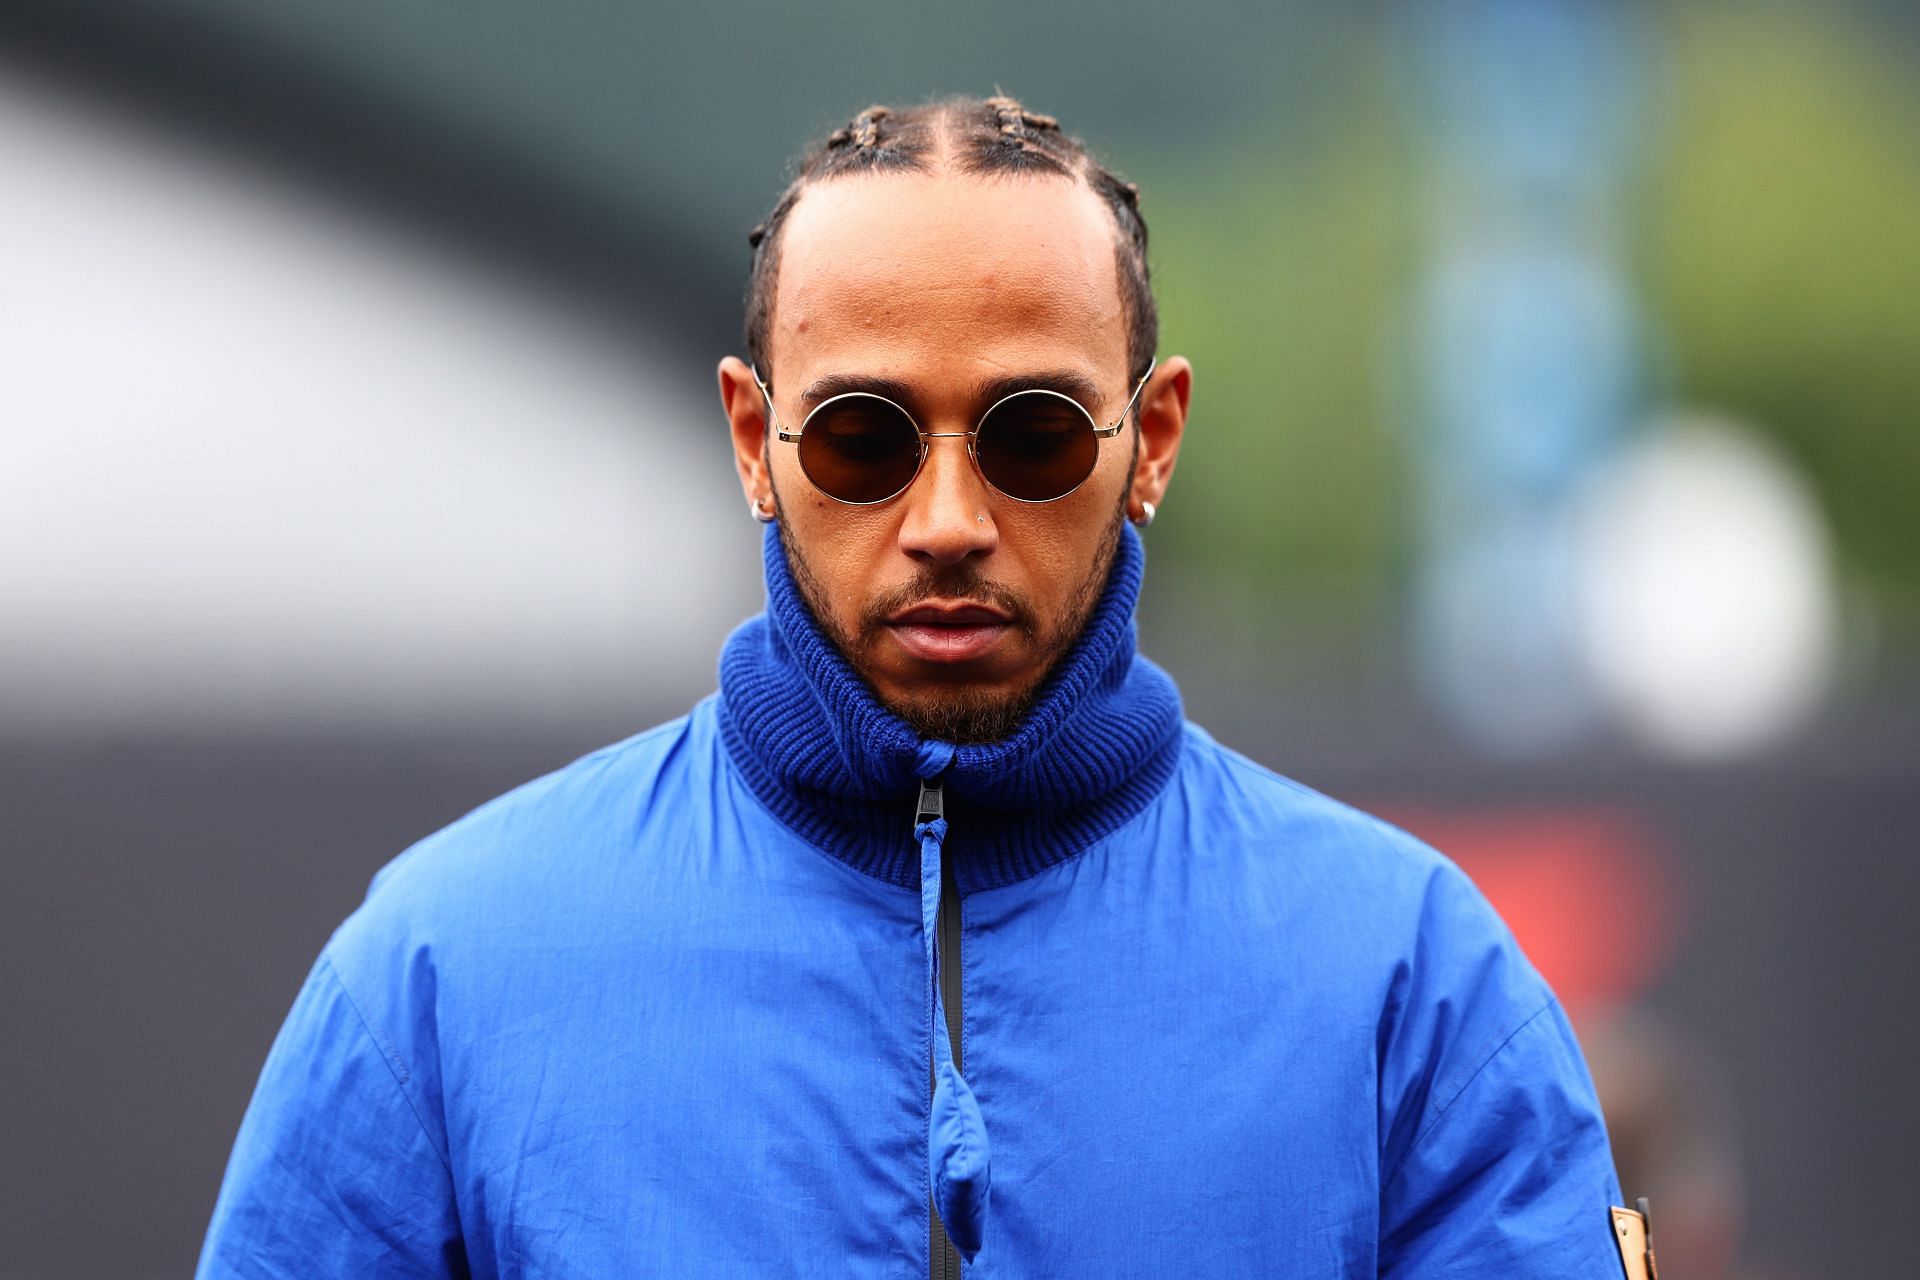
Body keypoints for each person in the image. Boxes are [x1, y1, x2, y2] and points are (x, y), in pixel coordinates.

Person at [198, 95, 1626, 1277]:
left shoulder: (1413, 980)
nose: (948, 517)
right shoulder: (444, 973)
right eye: (868, 440)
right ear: (754, 440)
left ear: (1157, 435)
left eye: (1035, 434)